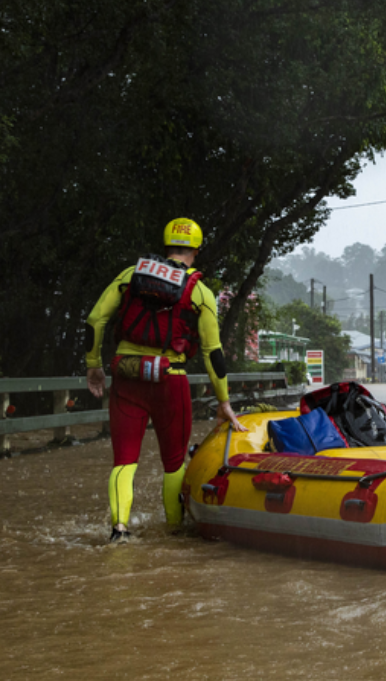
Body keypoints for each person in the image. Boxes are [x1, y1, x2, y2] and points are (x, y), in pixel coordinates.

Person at [85, 218, 246, 543]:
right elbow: (213, 352)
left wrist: (94, 365)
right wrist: (224, 401)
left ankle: (119, 529)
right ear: (196, 251)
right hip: (170, 382)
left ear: (165, 246)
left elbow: (95, 318)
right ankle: (174, 531)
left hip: (126, 376)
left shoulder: (130, 277)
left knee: (124, 461)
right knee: (174, 464)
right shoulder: (200, 292)